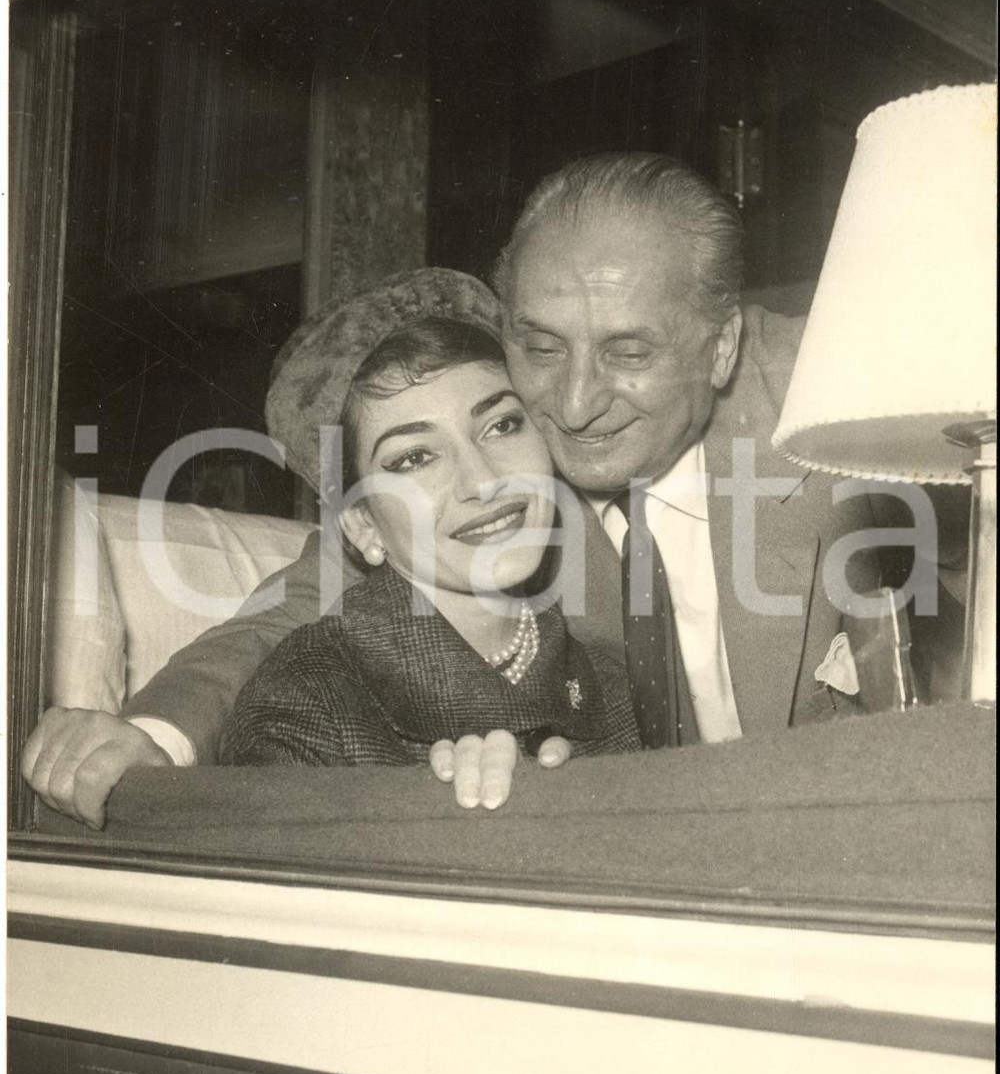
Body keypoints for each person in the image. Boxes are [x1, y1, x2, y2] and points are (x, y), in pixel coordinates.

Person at [23, 152, 887, 828]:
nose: (575, 405)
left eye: (629, 353)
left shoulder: (849, 390)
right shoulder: (498, 464)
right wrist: (153, 736)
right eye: (541, 347)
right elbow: (293, 613)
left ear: (724, 346)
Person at [217, 302, 640, 799]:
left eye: (501, 425)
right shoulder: (302, 706)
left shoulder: (615, 686)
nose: (484, 481)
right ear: (363, 525)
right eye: (415, 457)